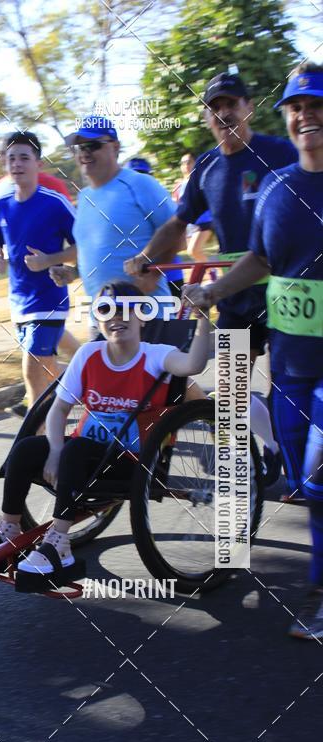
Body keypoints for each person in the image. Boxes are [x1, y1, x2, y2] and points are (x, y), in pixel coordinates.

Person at [183, 61, 323, 639]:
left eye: (315, 106)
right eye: (297, 108)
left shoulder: (271, 164)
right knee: (302, 474)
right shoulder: (278, 186)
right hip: (287, 358)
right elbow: (261, 261)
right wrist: (211, 289)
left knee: (318, 472)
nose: (305, 117)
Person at [0, 280, 212, 577]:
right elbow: (58, 411)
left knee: (77, 449)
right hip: (82, 459)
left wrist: (202, 318)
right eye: (106, 310)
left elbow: (194, 365)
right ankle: (9, 527)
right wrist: (54, 451)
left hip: (133, 463)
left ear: (142, 317)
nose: (116, 317)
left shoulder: (156, 354)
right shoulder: (88, 355)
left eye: (125, 310)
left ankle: (59, 543)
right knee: (27, 448)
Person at [125, 72, 299, 487]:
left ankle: (291, 463)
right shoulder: (206, 166)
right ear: (207, 116)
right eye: (214, 107)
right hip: (236, 293)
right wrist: (146, 258)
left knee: (288, 393)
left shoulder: (280, 152)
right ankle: (263, 457)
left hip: (288, 291)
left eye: (231, 104)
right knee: (233, 394)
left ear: (249, 107)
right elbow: (178, 223)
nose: (223, 113)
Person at [31, 117, 179, 338]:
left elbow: (177, 234)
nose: (84, 153)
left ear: (115, 147)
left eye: (93, 145)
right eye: (79, 147)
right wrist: (73, 272)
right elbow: (96, 252)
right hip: (102, 321)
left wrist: (153, 275)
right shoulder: (85, 197)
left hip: (148, 316)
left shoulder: (139, 184)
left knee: (171, 373)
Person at [0, 131, 76, 410]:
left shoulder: (54, 203)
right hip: (19, 302)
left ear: (39, 163)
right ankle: (94, 386)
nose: (17, 164)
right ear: (4, 164)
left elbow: (82, 246)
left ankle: (32, 440)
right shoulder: (0, 207)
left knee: (31, 371)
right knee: (48, 370)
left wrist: (49, 260)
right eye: (11, 158)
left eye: (25, 157)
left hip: (50, 300)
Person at [126, 156, 186, 298]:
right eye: (134, 175)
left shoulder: (161, 200)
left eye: (143, 175)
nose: (139, 180)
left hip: (170, 275)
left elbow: (182, 243)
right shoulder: (126, 208)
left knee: (177, 320)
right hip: (141, 280)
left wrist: (154, 272)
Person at [172, 152, 214, 262]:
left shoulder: (202, 180)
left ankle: (212, 271)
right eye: (183, 163)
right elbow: (176, 205)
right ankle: (211, 273)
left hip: (204, 220)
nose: (185, 165)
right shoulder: (178, 186)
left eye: (188, 162)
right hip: (189, 224)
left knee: (194, 250)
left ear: (195, 163)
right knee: (195, 254)